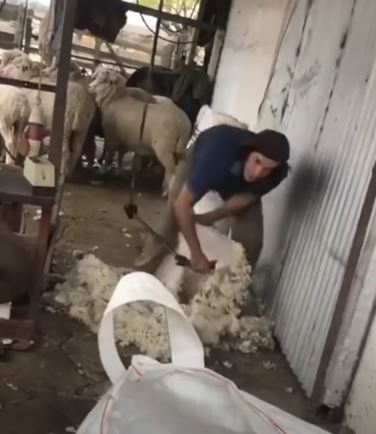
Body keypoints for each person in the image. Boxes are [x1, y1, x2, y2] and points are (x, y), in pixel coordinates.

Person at [135, 124, 290, 274]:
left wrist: (207, 218)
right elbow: (182, 204)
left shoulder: (276, 174)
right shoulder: (218, 155)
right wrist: (197, 254)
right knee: (173, 216)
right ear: (250, 151)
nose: (257, 173)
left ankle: (232, 291)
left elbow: (244, 199)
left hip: (237, 183)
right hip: (203, 159)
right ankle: (143, 273)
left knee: (252, 240)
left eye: (267, 169)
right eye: (257, 161)